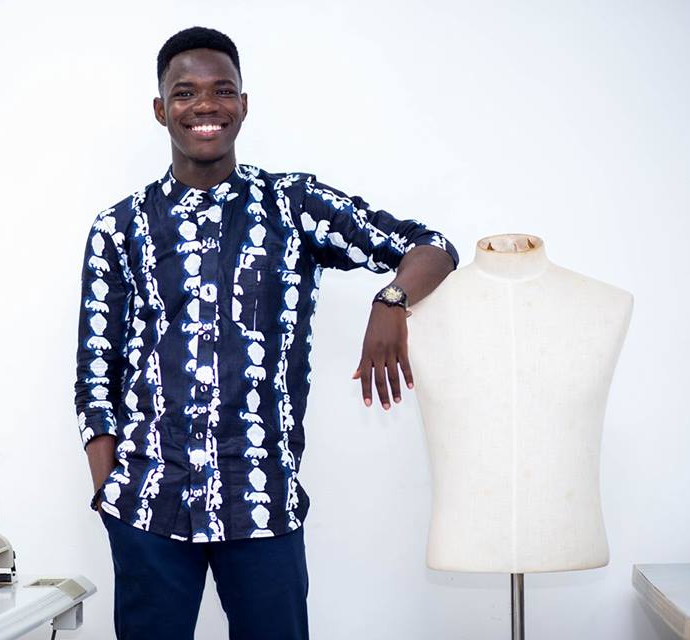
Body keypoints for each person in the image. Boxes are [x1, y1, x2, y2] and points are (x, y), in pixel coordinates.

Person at [74, 26, 458, 640]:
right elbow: (97, 368)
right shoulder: (120, 227)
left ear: (244, 104)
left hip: (261, 502)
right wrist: (110, 492)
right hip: (147, 505)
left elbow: (431, 246)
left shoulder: (291, 204)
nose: (205, 105)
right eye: (185, 93)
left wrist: (391, 301)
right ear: (161, 110)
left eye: (222, 90)